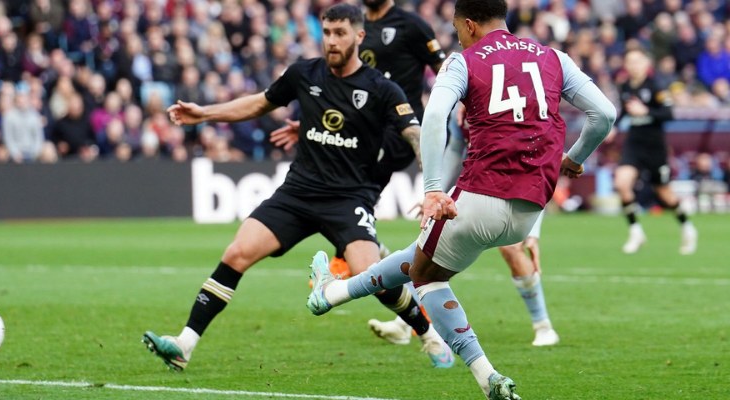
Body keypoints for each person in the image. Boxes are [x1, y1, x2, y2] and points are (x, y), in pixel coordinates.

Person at [306, 0, 616, 398]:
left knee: (424, 278)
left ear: (468, 25)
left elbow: (434, 118)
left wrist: (433, 188)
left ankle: (487, 377)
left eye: (456, 29)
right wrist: (573, 160)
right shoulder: (553, 57)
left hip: (481, 194)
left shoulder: (463, 61)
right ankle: (330, 293)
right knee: (421, 259)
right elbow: (604, 114)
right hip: (531, 205)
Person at [141, 4, 452, 372]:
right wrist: (205, 113)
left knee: (373, 276)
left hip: (349, 197)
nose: (332, 41)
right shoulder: (305, 73)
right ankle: (184, 344)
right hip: (297, 194)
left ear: (359, 36)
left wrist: (432, 187)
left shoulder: (382, 89)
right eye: (328, 32)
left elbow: (415, 136)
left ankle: (428, 334)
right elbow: (259, 103)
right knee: (237, 252)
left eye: (340, 33)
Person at [270, 0, 455, 356]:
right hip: (362, 133)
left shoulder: (412, 25)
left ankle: (348, 264)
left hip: (397, 133)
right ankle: (381, 280)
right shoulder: (352, 26)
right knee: (351, 206)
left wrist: (443, 116)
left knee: (349, 196)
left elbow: (445, 71)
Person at [368, 120, 560, 348]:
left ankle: (544, 326)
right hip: (478, 189)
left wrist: (533, 231)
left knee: (512, 250)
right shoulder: (462, 109)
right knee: (429, 249)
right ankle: (404, 324)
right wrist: (434, 191)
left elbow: (543, 159)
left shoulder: (505, 102)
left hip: (518, 190)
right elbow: (454, 149)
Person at [614, 48, 697, 255]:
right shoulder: (625, 86)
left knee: (665, 195)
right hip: (633, 143)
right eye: (629, 61)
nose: (633, 65)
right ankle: (635, 232)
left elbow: (669, 114)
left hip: (654, 146)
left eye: (637, 61)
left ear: (645, 64)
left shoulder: (657, 86)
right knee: (622, 183)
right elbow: (625, 111)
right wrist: (612, 128)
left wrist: (646, 111)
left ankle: (687, 226)